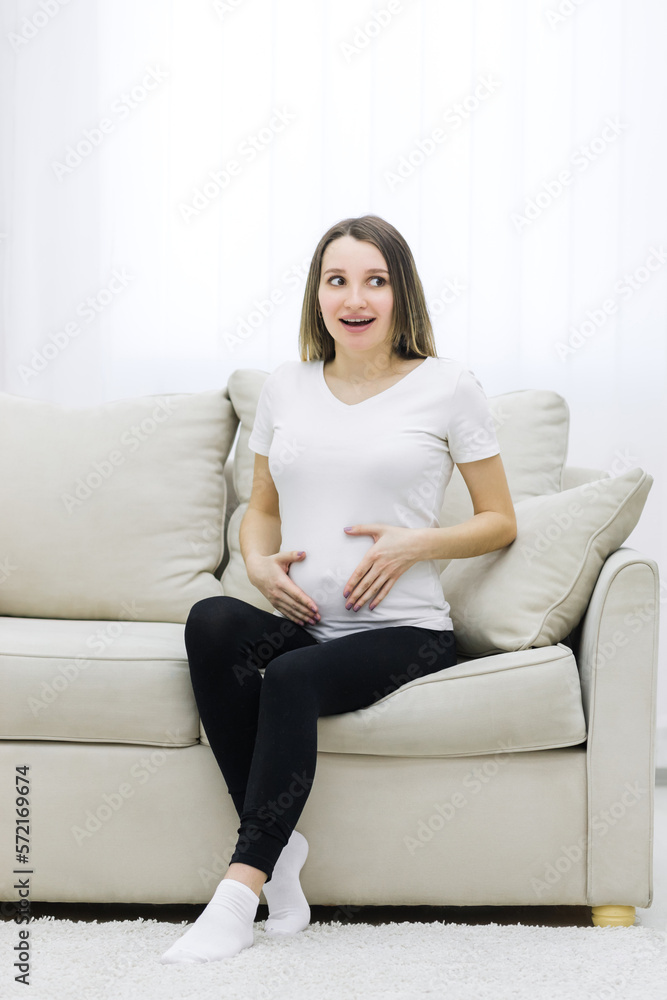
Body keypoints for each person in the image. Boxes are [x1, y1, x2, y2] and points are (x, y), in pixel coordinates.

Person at [160, 214, 517, 964]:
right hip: (311, 619)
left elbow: (498, 521)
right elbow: (259, 511)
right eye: (337, 280)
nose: (355, 298)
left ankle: (239, 891)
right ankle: (282, 851)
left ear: (400, 293)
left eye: (374, 281)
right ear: (317, 294)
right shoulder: (285, 388)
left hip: (406, 632)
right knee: (213, 622)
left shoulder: (448, 386)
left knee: (288, 677)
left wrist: (418, 542)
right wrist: (258, 567)